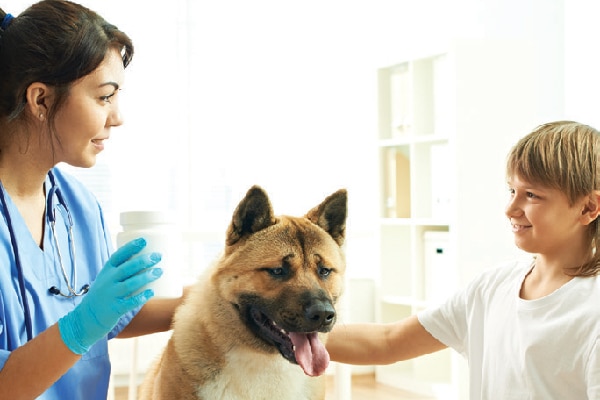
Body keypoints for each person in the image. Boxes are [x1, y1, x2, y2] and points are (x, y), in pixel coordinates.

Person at [327, 121, 600, 399]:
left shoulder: (592, 312)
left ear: (588, 208)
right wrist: (290, 334)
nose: (510, 209)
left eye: (531, 195)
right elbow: (388, 342)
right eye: (511, 191)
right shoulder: (492, 287)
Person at [0, 1, 185, 398]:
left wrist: (207, 301)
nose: (117, 117)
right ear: (41, 100)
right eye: (104, 97)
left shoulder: (78, 207)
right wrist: (84, 322)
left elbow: (110, 318)